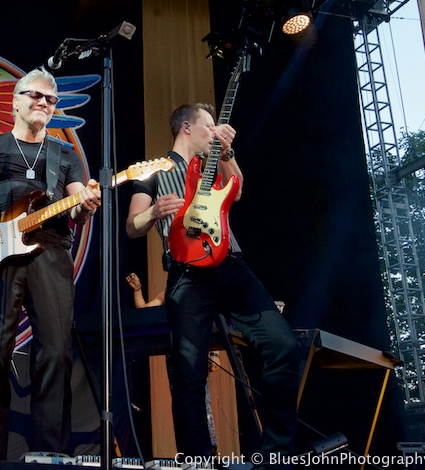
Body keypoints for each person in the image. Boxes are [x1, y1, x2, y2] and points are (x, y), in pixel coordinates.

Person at [125, 103, 299, 467]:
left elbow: (235, 192)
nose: (215, 131)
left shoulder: (213, 164)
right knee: (187, 370)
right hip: (188, 275)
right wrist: (153, 213)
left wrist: (228, 150)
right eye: (209, 126)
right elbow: (132, 225)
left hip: (232, 266)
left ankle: (277, 455)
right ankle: (197, 460)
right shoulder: (152, 170)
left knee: (283, 345)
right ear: (187, 127)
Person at [0, 68, 101, 460]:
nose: (43, 103)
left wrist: (86, 207)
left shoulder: (66, 156)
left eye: (51, 99)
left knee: (55, 352)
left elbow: (78, 205)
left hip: (49, 251)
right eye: (36, 96)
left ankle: (51, 454)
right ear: (15, 101)